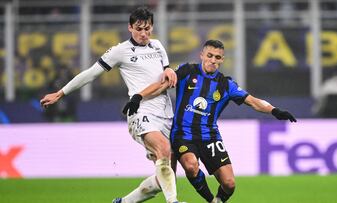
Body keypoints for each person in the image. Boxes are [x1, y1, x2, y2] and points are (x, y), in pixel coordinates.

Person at [40, 6, 185, 203]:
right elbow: (91, 73)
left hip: (166, 113)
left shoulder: (158, 46)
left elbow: (165, 71)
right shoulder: (120, 51)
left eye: (147, 28)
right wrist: (60, 92)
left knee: (165, 176)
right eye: (139, 28)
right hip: (140, 111)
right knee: (163, 149)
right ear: (130, 28)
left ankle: (125, 202)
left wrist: (169, 69)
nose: (144, 33)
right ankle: (173, 202)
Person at [123, 40, 297, 203]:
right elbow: (162, 85)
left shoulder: (226, 84)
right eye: (210, 56)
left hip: (210, 137)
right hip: (183, 134)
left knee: (229, 184)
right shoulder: (186, 71)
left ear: (222, 60)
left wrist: (275, 111)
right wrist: (138, 96)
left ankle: (217, 200)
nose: (213, 60)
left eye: (218, 57)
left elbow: (253, 101)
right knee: (191, 166)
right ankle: (211, 200)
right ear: (202, 55)